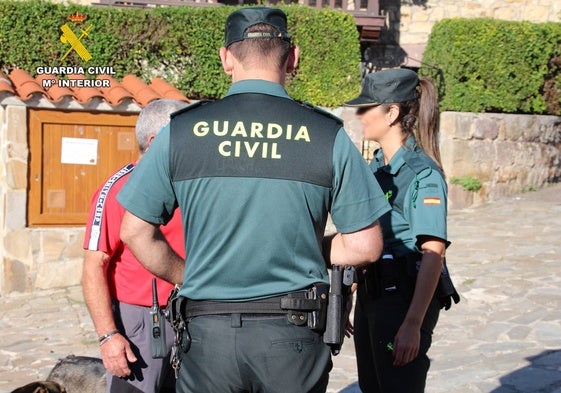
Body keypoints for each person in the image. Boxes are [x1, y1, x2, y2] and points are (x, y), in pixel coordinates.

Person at [117, 7, 391, 393]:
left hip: (207, 337)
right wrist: (313, 249)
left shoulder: (179, 133)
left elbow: (134, 231)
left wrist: (189, 274)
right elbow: (365, 246)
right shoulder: (327, 135)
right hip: (292, 338)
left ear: (226, 58)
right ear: (292, 58)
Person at [344, 68, 449, 393]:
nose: (360, 115)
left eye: (367, 107)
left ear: (391, 113)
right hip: (373, 297)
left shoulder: (422, 175)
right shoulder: (376, 169)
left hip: (403, 301)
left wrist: (413, 324)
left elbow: (434, 254)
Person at [81, 99, 187, 393]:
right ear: (155, 142)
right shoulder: (118, 188)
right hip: (141, 325)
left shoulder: (190, 186)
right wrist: (108, 336)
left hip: (191, 318)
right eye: (182, 135)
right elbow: (93, 265)